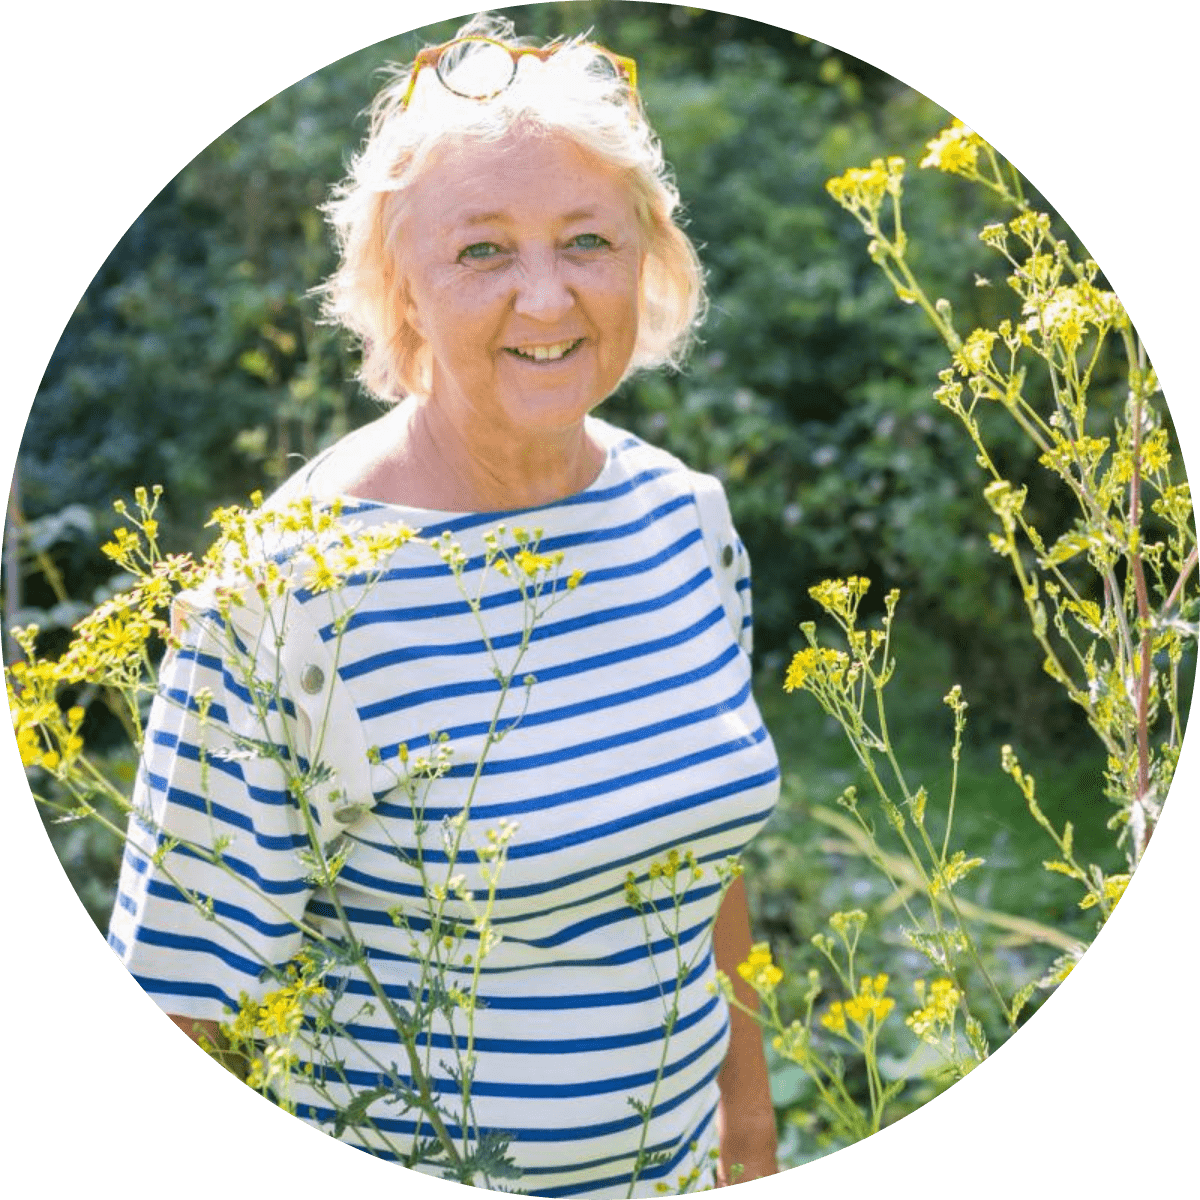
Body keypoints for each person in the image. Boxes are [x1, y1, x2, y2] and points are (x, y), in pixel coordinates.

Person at [107, 13, 781, 1195]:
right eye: (483, 252)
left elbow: (703, 860)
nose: (546, 298)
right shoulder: (285, 598)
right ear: (399, 285)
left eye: (587, 241)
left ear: (648, 261)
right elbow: (172, 1009)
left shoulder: (685, 519)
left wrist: (750, 1132)